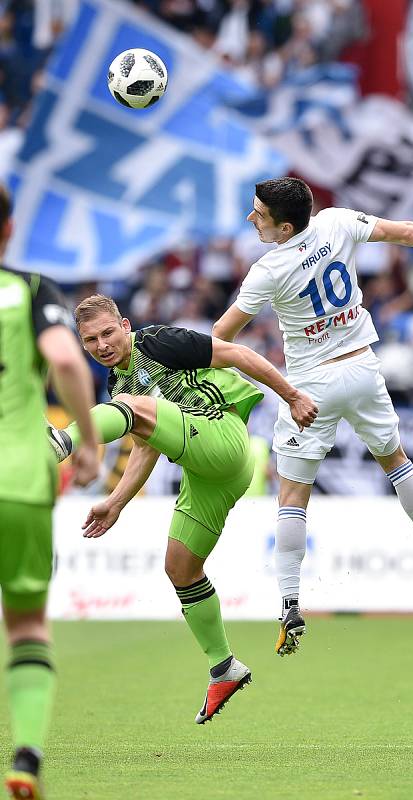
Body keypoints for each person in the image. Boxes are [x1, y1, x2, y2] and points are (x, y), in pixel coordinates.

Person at [212, 176, 413, 656]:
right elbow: (408, 233)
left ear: (284, 227)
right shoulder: (337, 222)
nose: (252, 219)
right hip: (362, 367)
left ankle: (290, 602)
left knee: (292, 496)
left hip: (311, 384)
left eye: (259, 215)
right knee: (396, 460)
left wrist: (188, 365)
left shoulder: (267, 271)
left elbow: (221, 336)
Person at [47, 294, 317, 724]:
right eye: (90, 340)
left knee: (133, 410)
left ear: (126, 325)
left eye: (108, 332)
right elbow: (147, 444)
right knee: (180, 568)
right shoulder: (119, 387)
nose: (101, 345)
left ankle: (61, 440)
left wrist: (291, 396)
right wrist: (116, 501)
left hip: (222, 436)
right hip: (207, 473)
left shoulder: (157, 343)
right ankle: (224, 666)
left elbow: (238, 353)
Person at [0, 186, 99, 799]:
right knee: (28, 626)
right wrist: (88, 442)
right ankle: (26, 759)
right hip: (17, 480)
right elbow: (65, 359)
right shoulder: (33, 290)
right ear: (9, 230)